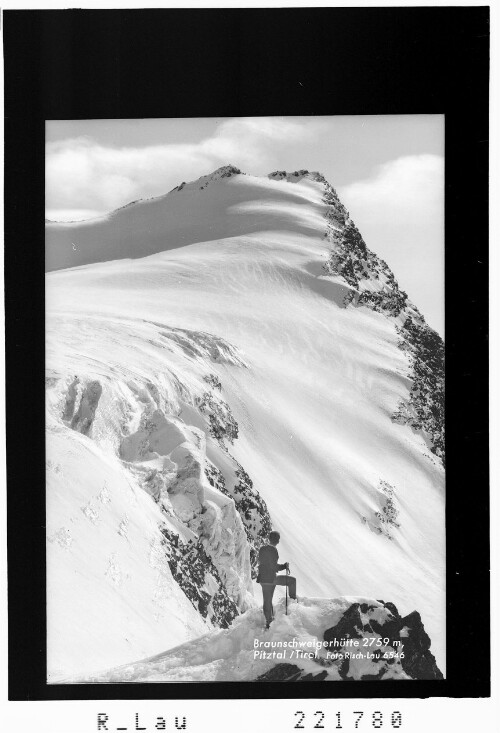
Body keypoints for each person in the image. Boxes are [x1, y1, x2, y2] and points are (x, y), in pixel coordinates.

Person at [257, 530, 297, 628]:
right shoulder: (273, 550)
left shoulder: (262, 549)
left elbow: (260, 562)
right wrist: (284, 566)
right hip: (271, 579)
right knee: (292, 581)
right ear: (277, 540)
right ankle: (293, 603)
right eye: (278, 540)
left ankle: (268, 622)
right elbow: (273, 567)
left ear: (269, 538)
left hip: (263, 579)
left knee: (267, 600)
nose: (279, 542)